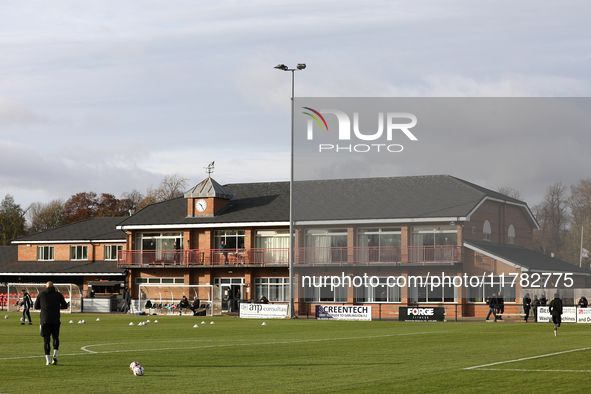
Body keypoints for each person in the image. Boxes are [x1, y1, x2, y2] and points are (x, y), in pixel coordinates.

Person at [34, 281, 68, 365]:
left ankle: (48, 360)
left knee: (46, 340)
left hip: (44, 320)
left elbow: (36, 306)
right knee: (55, 337)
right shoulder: (58, 294)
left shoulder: (42, 294)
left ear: (46, 287)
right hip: (55, 320)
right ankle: (55, 355)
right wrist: (56, 307)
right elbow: (64, 306)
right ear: (53, 287)